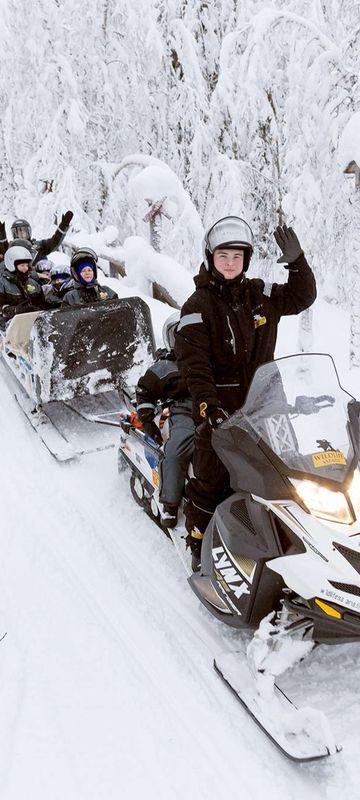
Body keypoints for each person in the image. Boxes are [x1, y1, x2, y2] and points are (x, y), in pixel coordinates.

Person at [174, 217, 317, 569]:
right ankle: (198, 539)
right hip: (221, 412)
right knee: (212, 479)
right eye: (223, 256)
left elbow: (303, 296)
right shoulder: (197, 306)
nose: (230, 263)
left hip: (267, 403)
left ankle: (297, 537)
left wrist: (298, 262)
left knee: (287, 468)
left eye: (237, 256)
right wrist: (207, 406)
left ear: (246, 260)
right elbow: (194, 364)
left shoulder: (261, 294)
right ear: (210, 258)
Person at [136, 312, 195, 527]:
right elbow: (144, 391)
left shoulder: (210, 360)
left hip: (214, 410)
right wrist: (147, 422)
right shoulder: (164, 367)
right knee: (177, 450)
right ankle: (170, 503)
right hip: (183, 412)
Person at [0, 211, 74, 267]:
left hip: (39, 279)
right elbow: (5, 252)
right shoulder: (11, 247)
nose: (21, 234)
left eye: (23, 231)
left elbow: (55, 241)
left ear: (28, 232)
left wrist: (63, 225)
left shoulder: (39, 246)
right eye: (17, 232)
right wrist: (2, 235)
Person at [0, 242, 45, 324]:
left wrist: (37, 309)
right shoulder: (2, 283)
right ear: (12, 265)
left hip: (32, 325)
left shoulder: (33, 283)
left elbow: (42, 304)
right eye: (22, 265)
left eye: (27, 265)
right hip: (8, 327)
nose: (26, 268)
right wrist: (16, 310)